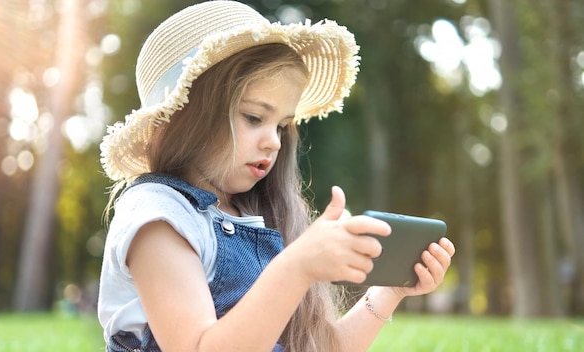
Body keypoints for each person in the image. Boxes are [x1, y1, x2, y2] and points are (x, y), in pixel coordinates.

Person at [97, 1, 456, 352]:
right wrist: (297, 266)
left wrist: (388, 291)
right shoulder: (159, 217)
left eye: (283, 126)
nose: (273, 142)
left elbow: (320, 348)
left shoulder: (255, 216)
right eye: (254, 118)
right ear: (188, 116)